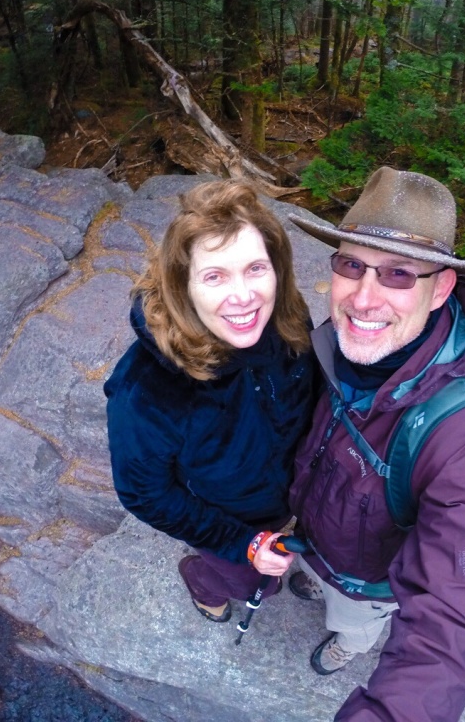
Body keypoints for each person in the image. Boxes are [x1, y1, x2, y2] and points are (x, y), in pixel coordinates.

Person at [250, 166, 465, 721]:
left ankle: (351, 640)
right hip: (316, 530)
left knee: (352, 617)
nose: (364, 298)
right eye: (352, 265)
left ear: (441, 287)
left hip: (371, 580)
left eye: (399, 274)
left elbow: (451, 613)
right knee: (315, 577)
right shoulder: (339, 339)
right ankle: (317, 579)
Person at [105, 179, 316, 624]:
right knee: (251, 584)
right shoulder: (149, 390)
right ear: (184, 287)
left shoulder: (289, 324)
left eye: (256, 269)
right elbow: (143, 493)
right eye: (215, 276)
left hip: (286, 499)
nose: (243, 296)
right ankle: (201, 579)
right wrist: (243, 543)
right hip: (227, 518)